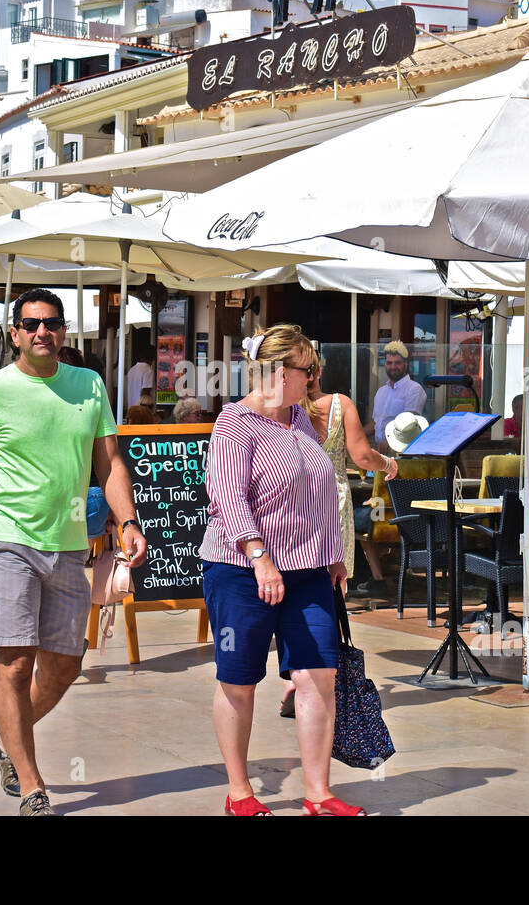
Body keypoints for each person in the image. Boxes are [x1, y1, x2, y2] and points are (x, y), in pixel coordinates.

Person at [0, 288, 146, 816]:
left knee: (66, 665)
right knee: (15, 660)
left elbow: (110, 463)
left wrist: (128, 520)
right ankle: (31, 784)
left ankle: (9, 738)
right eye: (30, 325)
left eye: (50, 323)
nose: (41, 332)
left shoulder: (89, 386)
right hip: (8, 540)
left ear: (63, 331)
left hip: (70, 545)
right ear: (14, 334)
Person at [201, 325, 362, 816]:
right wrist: (260, 557)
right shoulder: (234, 424)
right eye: (306, 369)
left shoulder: (302, 419)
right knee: (240, 678)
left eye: (312, 369)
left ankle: (318, 792)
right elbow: (229, 499)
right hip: (240, 569)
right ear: (276, 371)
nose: (313, 378)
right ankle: (240, 792)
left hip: (308, 571)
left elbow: (320, 491)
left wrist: (332, 552)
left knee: (319, 676)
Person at [274, 353, 399, 716]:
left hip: (292, 503)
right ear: (319, 371)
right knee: (329, 591)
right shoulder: (339, 405)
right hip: (332, 501)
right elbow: (361, 456)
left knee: (295, 589)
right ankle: (306, 680)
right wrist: (389, 463)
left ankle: (292, 678)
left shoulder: (282, 409)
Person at [364, 340, 426, 451]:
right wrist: (358, 434)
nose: (393, 366)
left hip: (402, 450)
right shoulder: (381, 391)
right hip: (380, 449)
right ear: (385, 364)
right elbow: (376, 423)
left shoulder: (414, 389)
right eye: (389, 363)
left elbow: (408, 425)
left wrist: (387, 442)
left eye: (397, 362)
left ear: (405, 364)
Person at [126, 344, 155, 409]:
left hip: (131, 409)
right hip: (141, 410)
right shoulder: (148, 370)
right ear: (152, 357)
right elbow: (145, 393)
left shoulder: (132, 369)